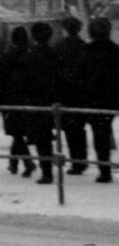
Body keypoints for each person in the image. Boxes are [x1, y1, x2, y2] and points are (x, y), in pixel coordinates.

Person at [20, 20, 61, 185]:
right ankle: (49, 167)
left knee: (41, 139)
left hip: (36, 101)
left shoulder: (30, 57)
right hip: (52, 100)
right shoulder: (55, 55)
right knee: (45, 136)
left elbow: (24, 80)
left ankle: (47, 171)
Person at [80, 16, 119, 184]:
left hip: (94, 99)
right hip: (114, 97)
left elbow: (80, 77)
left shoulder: (86, 53)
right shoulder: (116, 51)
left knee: (100, 135)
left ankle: (105, 170)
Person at [0, 26, 34, 176]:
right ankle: (13, 163)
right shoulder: (30, 56)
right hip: (27, 99)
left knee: (16, 133)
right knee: (19, 133)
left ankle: (27, 162)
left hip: (9, 99)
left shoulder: (7, 57)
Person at [55, 15, 90, 176]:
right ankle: (81, 160)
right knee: (79, 129)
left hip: (65, 93)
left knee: (70, 130)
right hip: (81, 93)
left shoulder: (60, 47)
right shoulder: (84, 47)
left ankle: (76, 161)